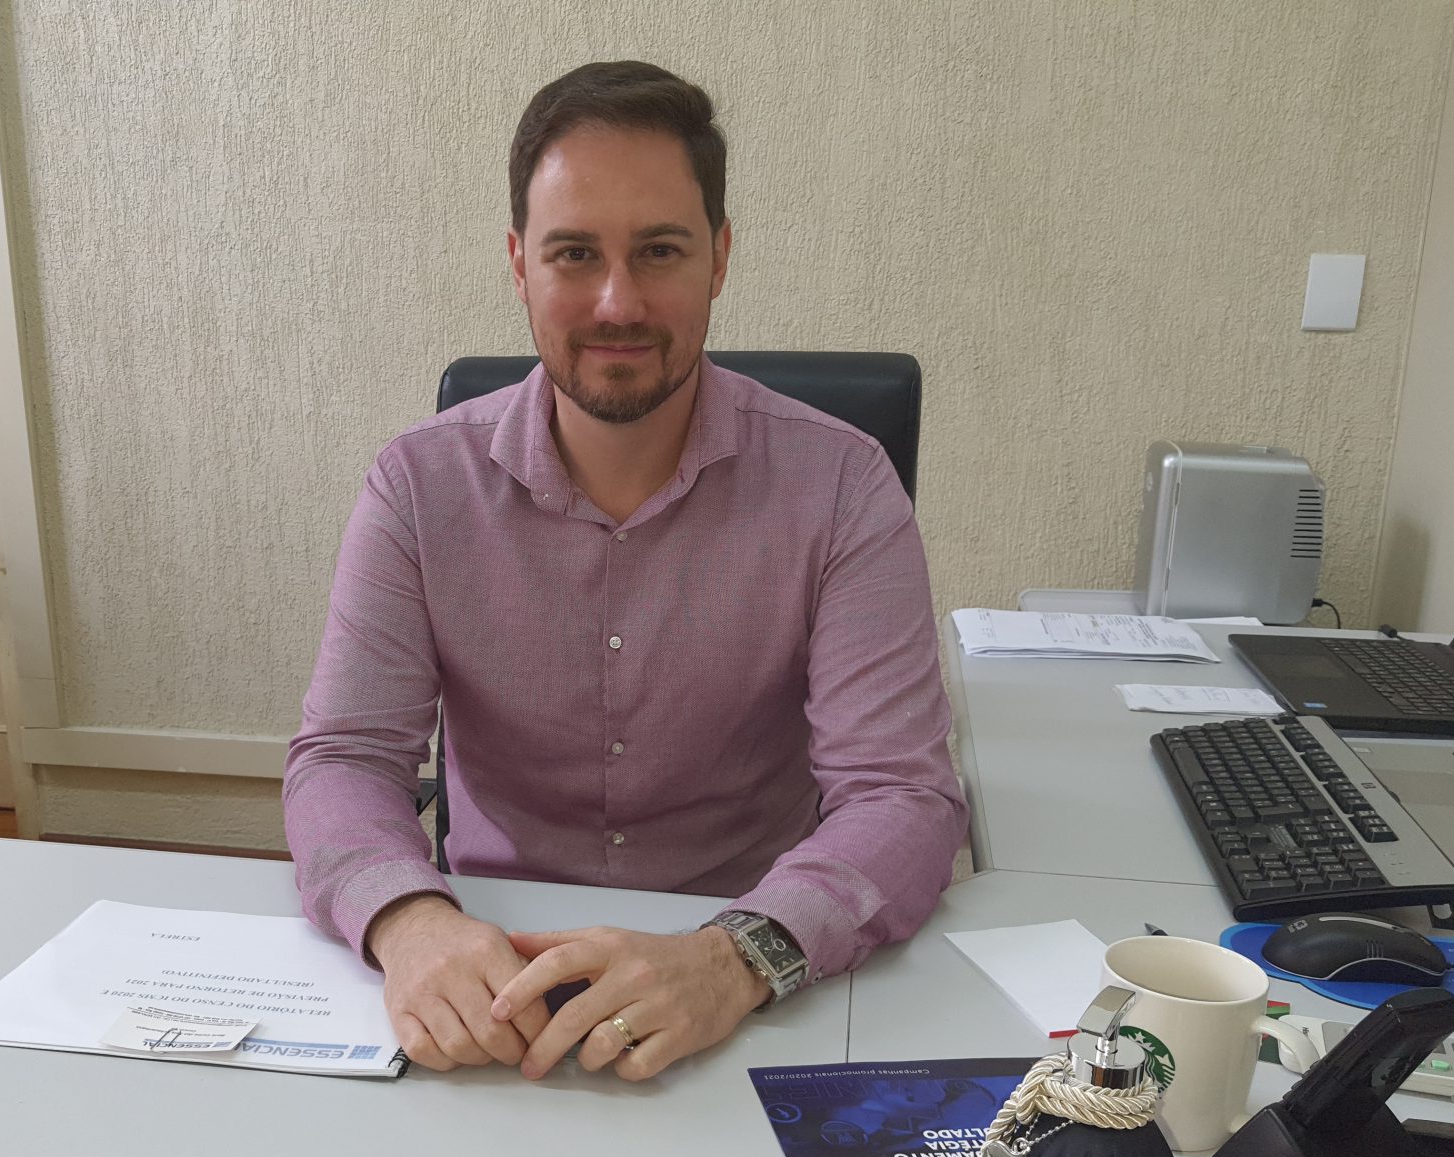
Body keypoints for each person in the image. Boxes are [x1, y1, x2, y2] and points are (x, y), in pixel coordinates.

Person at [284, 61, 966, 1082]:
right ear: (519, 263)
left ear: (719, 258)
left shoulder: (842, 486)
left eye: (659, 251)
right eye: (574, 254)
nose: (618, 302)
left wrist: (736, 958)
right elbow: (343, 759)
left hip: (744, 979)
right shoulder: (417, 487)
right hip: (487, 973)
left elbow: (901, 795)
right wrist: (410, 920)